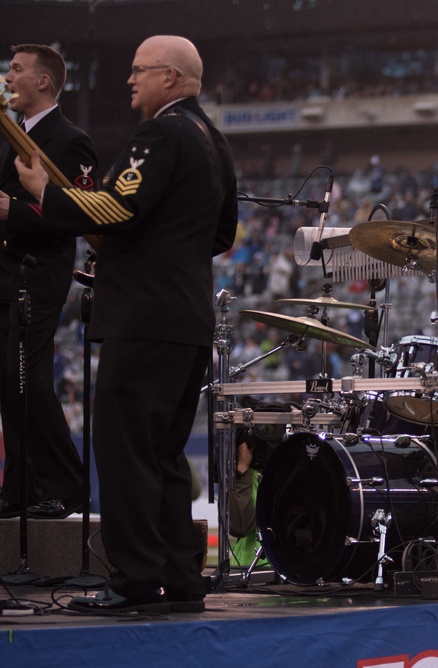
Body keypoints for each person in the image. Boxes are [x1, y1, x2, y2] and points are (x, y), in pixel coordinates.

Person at [0, 35, 237, 614]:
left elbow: (115, 208)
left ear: (172, 79)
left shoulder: (161, 133)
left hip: (145, 317)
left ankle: (133, 581)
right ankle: (181, 580)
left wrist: (45, 193)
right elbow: (222, 236)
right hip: (187, 316)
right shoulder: (213, 140)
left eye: (139, 71)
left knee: (127, 451)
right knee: (164, 456)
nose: (129, 80)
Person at [0, 44, 98, 520]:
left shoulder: (71, 140)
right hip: (6, 271)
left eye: (16, 70)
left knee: (28, 380)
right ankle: (20, 488)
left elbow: (78, 215)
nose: (8, 77)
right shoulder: (10, 134)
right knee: (9, 382)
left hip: (38, 274)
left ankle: (66, 485)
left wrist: (12, 210)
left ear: (43, 81)